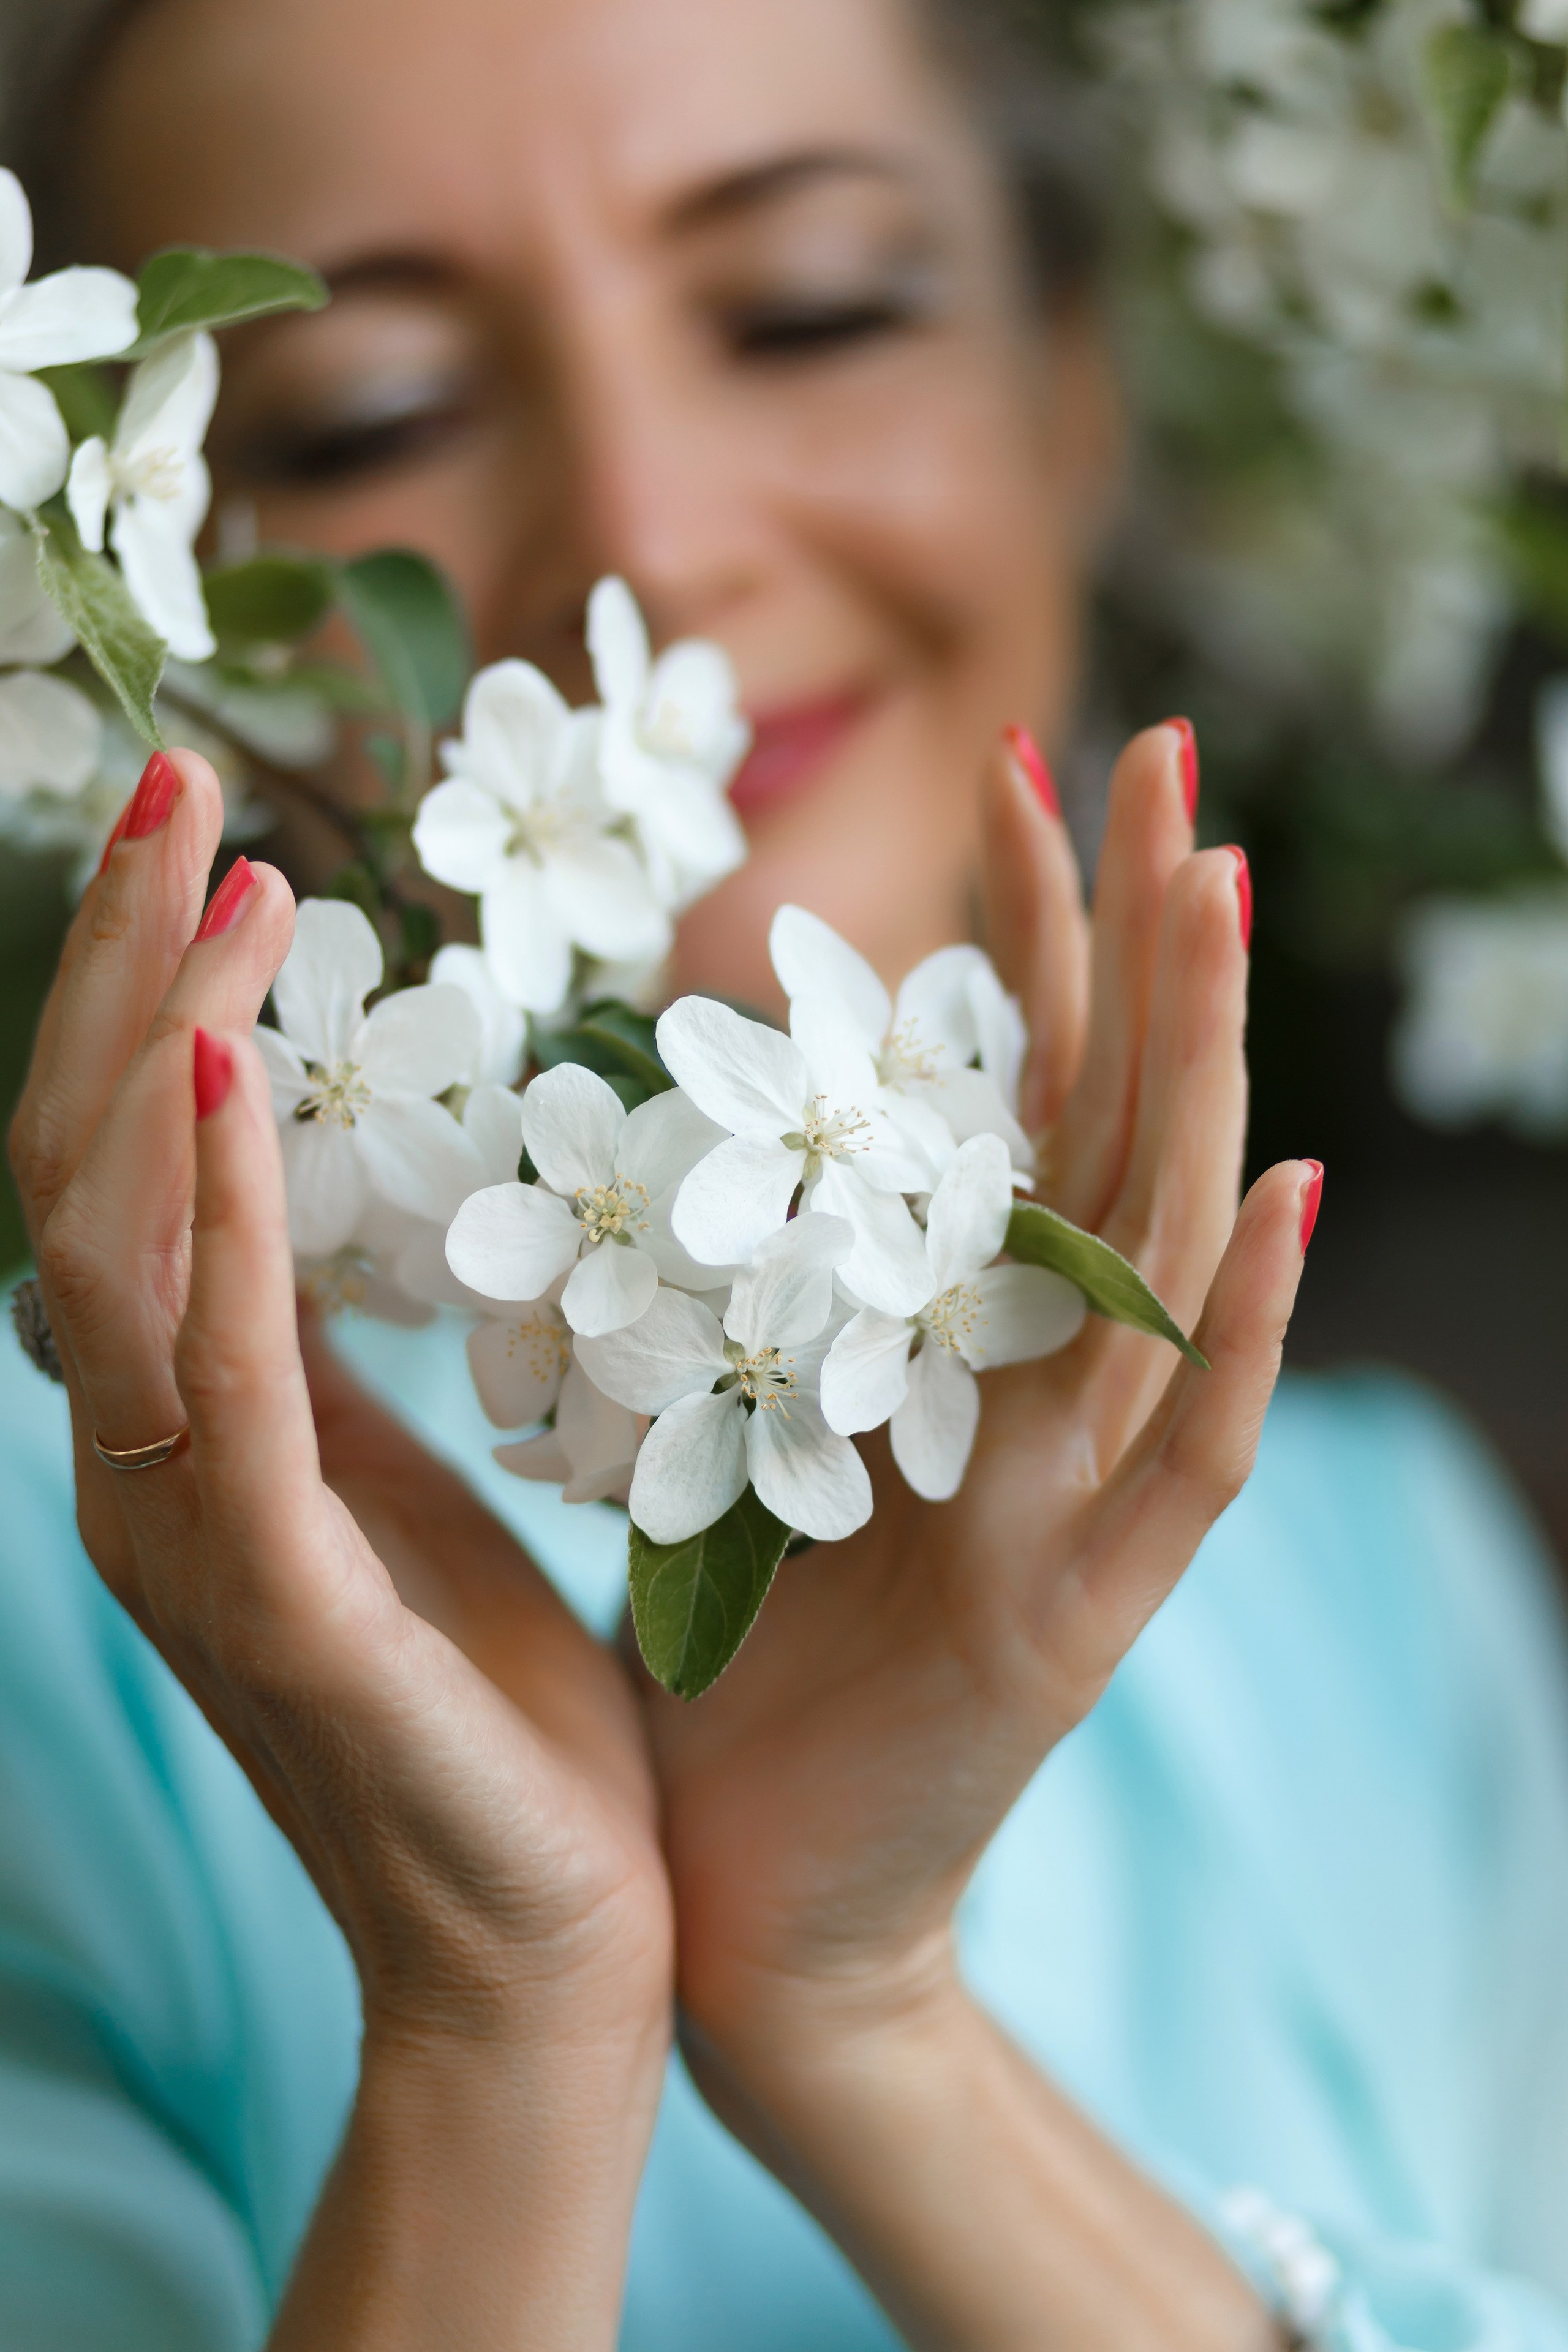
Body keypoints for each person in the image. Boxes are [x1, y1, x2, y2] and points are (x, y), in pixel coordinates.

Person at [2, 1, 1568, 2346]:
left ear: (1073, 389)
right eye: (375, 414)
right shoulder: (48, 1605)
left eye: (812, 306)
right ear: (149, 604)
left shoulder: (1382, 1592)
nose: (648, 535)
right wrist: (502, 2008)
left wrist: (867, 2023)